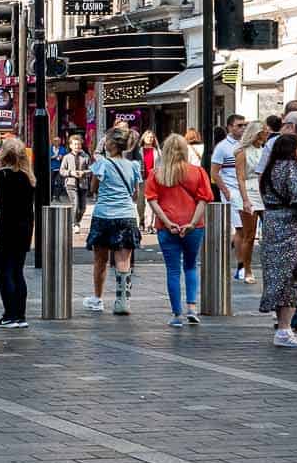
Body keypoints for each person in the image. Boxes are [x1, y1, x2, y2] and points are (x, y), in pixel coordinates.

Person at [145, 132, 213, 325]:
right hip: (193, 226)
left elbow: (152, 201)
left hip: (167, 227)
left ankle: (177, 314)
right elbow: (204, 199)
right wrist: (192, 222)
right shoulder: (197, 172)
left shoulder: (157, 173)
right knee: (191, 266)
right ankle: (192, 307)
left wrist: (167, 222)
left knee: (173, 270)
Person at [258, 131, 297, 349]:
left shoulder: (270, 169)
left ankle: (283, 326)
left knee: (278, 275)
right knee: (293, 276)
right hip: (292, 225)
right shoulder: (293, 167)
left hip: (273, 223)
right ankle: (285, 329)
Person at [82, 125, 143, 315]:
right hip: (126, 215)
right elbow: (136, 193)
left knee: (100, 260)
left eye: (106, 140)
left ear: (111, 143)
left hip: (104, 215)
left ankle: (98, 299)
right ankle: (122, 301)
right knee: (123, 260)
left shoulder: (102, 164)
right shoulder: (133, 166)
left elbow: (93, 188)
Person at [0, 137, 35, 327]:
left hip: (5, 228)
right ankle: (20, 315)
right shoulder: (28, 177)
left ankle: (9, 314)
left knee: (4, 272)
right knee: (18, 271)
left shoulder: (1, 176)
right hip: (24, 229)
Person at [209, 112, 249, 283]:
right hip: (232, 192)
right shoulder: (222, 147)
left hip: (247, 191)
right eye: (239, 125)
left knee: (247, 230)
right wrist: (225, 191)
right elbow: (214, 172)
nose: (242, 128)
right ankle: (241, 266)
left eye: (244, 125)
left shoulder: (246, 145)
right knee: (240, 229)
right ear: (230, 127)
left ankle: (235, 252)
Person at [234, 120, 268, 285]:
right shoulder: (242, 152)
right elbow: (240, 177)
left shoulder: (264, 150)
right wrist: (245, 199)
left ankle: (268, 267)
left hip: (263, 191)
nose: (266, 134)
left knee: (270, 233)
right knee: (249, 234)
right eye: (264, 131)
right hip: (249, 190)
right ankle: (247, 269)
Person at [58, 138, 87, 223]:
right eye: (75, 144)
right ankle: (75, 224)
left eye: (78, 144)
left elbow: (91, 170)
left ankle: (76, 221)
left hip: (83, 185)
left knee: (83, 208)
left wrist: (84, 173)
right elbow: (62, 171)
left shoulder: (85, 157)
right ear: (70, 146)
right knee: (75, 204)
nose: (77, 146)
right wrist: (71, 172)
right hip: (71, 184)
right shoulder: (66, 157)